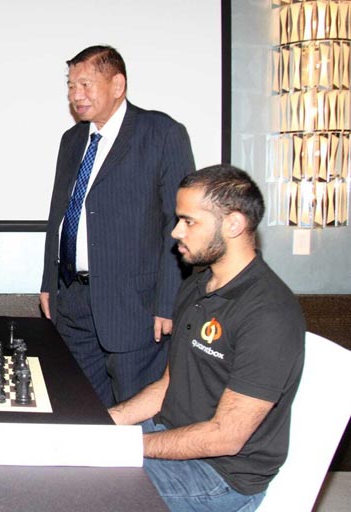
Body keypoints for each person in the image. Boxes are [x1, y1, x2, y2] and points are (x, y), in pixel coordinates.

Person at [109, 165, 305, 511]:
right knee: (66, 464)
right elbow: (168, 385)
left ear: (233, 224)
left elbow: (225, 437)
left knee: (90, 487)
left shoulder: (268, 313)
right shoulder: (197, 286)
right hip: (170, 432)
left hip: (221, 476)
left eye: (189, 221)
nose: (175, 232)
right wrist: (103, 424)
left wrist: (126, 446)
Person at [40, 45, 195, 407]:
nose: (76, 95)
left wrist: (169, 302)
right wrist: (49, 283)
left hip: (135, 309)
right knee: (79, 409)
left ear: (118, 85)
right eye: (71, 86)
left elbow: (178, 222)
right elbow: (60, 214)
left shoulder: (161, 133)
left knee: (135, 414)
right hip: (74, 302)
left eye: (85, 85)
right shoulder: (72, 140)